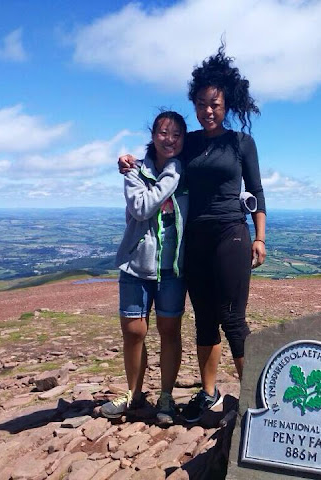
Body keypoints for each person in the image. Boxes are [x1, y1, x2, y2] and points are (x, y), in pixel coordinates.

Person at [119, 44, 266, 423]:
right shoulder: (192, 142)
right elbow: (159, 155)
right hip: (195, 241)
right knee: (204, 319)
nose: (207, 111)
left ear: (227, 104)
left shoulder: (241, 143)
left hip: (232, 233)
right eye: (201, 104)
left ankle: (257, 400)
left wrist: (260, 236)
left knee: (232, 317)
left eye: (214, 104)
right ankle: (209, 393)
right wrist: (129, 160)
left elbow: (257, 190)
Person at [103, 111, 188, 426]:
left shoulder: (189, 171)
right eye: (164, 133)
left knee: (170, 331)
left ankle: (165, 397)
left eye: (177, 134)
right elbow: (141, 208)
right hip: (136, 265)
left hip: (172, 268)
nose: (170, 139)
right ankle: (134, 393)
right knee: (133, 331)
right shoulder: (135, 171)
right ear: (153, 135)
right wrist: (172, 174)